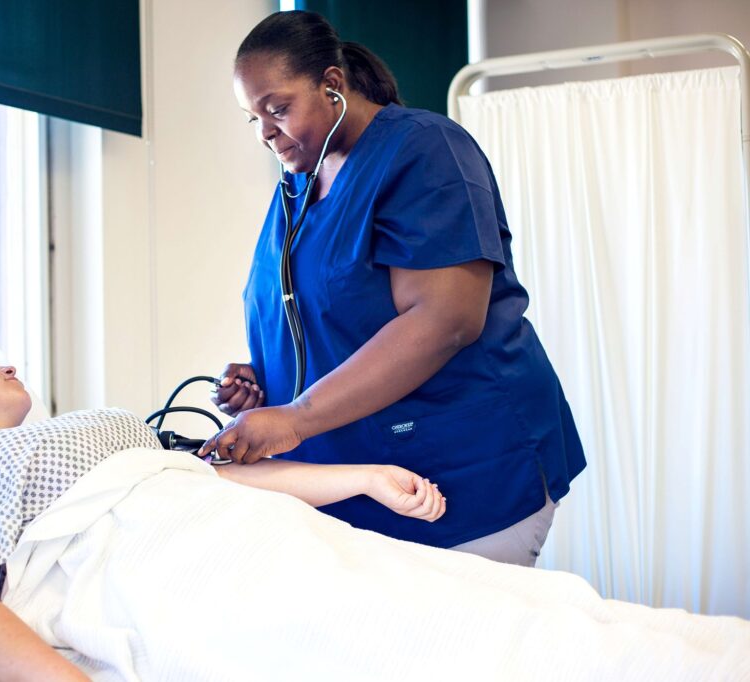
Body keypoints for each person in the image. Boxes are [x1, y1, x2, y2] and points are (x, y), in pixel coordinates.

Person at [198, 10, 586, 567]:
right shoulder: (298, 188)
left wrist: (296, 416)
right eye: (252, 118)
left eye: (277, 109)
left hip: (461, 472)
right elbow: (329, 315)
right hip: (358, 482)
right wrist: (270, 379)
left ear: (332, 85)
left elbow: (444, 321)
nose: (264, 133)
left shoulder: (426, 151)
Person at [0, 337, 445, 681]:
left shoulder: (69, 433)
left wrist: (366, 478)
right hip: (187, 580)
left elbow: (221, 482)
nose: (6, 365)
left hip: (269, 540)